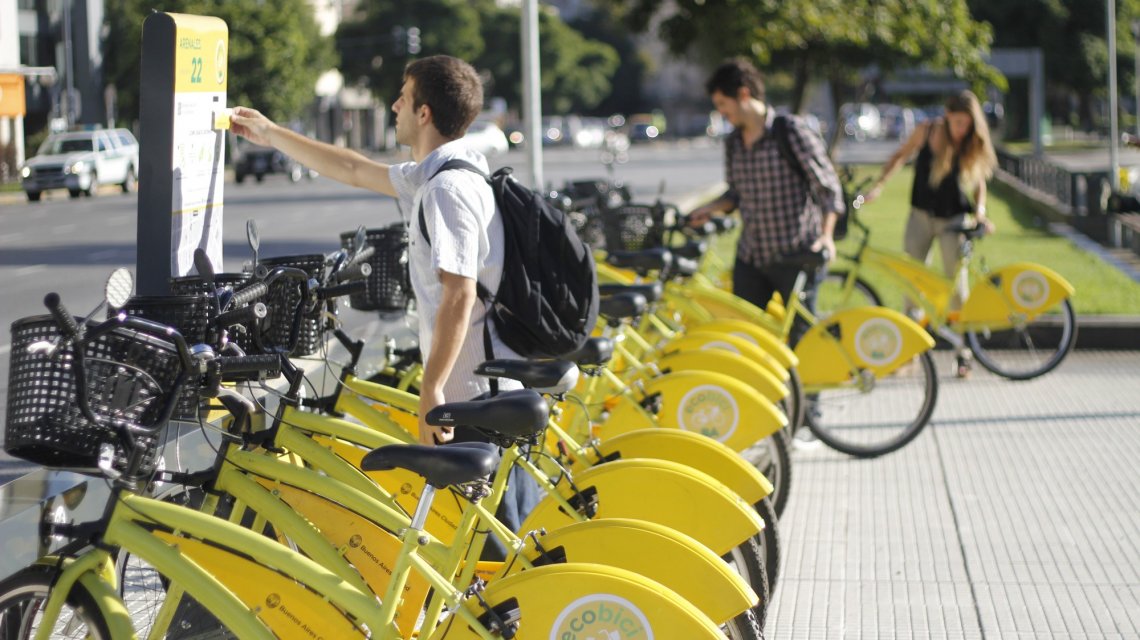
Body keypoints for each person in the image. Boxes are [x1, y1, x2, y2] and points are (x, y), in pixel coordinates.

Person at [230, 55, 521, 441]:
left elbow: (459, 294)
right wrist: (271, 133)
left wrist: (432, 389)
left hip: (475, 400)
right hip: (478, 393)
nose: (394, 105)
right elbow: (353, 169)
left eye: (404, 97)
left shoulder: (446, 190)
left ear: (424, 114)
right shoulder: (443, 172)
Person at [688, 57, 845, 343]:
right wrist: (709, 209)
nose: (722, 113)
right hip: (751, 257)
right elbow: (736, 193)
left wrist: (826, 236)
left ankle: (804, 390)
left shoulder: (790, 131)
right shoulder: (733, 142)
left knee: (801, 340)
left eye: (724, 104)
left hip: (795, 254)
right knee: (746, 337)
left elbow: (828, 188)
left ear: (744, 94)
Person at [861, 90, 997, 377]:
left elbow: (979, 183)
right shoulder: (928, 131)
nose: (962, 129)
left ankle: (964, 353)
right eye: (958, 122)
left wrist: (980, 211)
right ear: (947, 116)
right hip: (920, 216)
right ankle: (910, 353)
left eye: (967, 124)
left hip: (953, 220)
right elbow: (900, 156)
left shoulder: (970, 142)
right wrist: (880, 185)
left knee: (956, 287)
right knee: (911, 282)